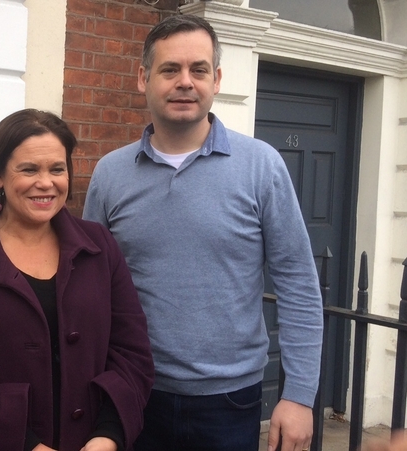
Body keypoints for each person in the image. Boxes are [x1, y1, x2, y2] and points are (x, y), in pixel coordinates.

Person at [82, 14, 324, 451]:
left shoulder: (261, 165)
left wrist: (299, 395)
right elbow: (88, 287)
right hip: (134, 391)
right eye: (170, 69)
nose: (185, 82)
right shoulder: (110, 175)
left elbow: (299, 284)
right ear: (143, 78)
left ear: (215, 79)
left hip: (229, 402)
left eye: (198, 70)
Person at [0, 109, 155, 451]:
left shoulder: (100, 246)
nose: (46, 183)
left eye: (57, 169)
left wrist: (108, 434)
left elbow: (132, 349)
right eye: (29, 169)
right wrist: (24, 443)